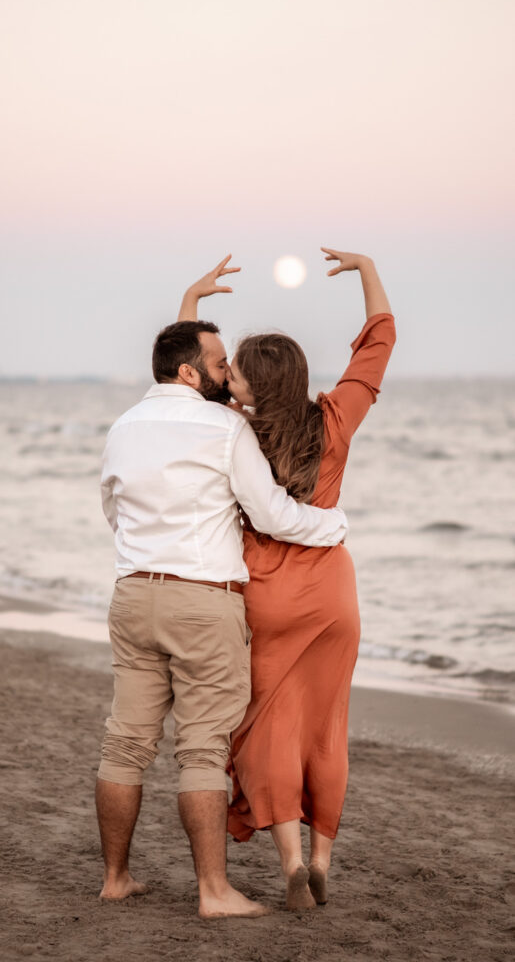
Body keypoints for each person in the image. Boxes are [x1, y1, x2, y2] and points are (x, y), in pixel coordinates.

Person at [97, 257, 350, 919]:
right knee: (203, 747)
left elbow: (111, 508)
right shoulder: (225, 426)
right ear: (190, 373)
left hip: (131, 594)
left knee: (126, 741)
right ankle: (214, 892)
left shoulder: (123, 426)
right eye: (217, 365)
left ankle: (115, 878)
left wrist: (189, 302)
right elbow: (269, 514)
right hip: (201, 600)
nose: (225, 374)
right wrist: (332, 523)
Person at [178, 247, 395, 911]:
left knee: (267, 726)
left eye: (237, 374)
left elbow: (182, 372)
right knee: (326, 727)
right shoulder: (334, 419)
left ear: (248, 387)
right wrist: (366, 271)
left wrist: (192, 299)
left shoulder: (231, 426)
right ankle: (324, 854)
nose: (230, 381)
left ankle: (293, 862)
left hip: (267, 593)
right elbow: (378, 344)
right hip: (332, 595)